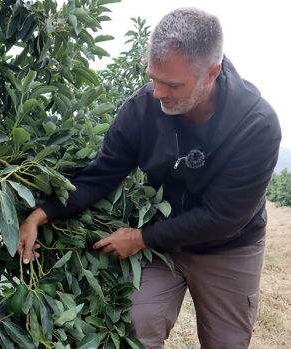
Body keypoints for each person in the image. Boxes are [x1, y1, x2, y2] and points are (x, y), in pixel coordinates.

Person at [18, 7, 281, 349]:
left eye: (171, 84)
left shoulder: (255, 125)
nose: (157, 93)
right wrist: (41, 214)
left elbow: (222, 218)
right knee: (135, 327)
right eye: (153, 78)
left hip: (229, 246)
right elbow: (101, 174)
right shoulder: (142, 108)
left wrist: (141, 237)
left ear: (212, 73)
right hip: (163, 245)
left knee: (227, 342)